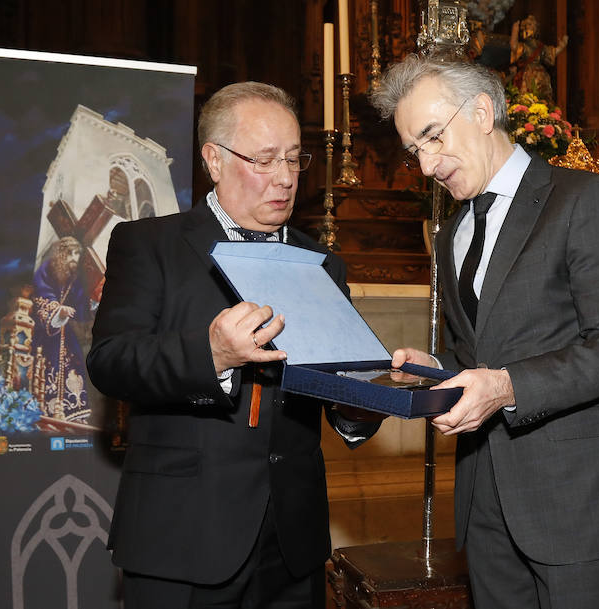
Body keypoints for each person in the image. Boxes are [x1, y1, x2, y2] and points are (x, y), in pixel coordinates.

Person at [370, 55, 599, 609]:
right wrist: (440, 372)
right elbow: (480, 352)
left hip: (576, 502)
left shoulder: (584, 199)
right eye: (415, 151)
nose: (427, 166)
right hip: (484, 505)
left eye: (432, 137)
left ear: (481, 111)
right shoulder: (452, 232)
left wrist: (505, 387)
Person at [87, 81, 381, 609]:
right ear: (214, 160)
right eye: (264, 160)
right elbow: (111, 362)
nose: (286, 178)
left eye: (294, 159)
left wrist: (363, 399)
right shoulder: (149, 244)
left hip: (293, 544)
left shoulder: (325, 265)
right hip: (182, 538)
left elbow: (332, 394)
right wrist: (213, 355)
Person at [32, 235, 93, 424]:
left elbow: (81, 305)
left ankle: (74, 415)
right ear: (61, 254)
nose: (75, 258)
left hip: (67, 337)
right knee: (46, 369)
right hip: (47, 335)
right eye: (71, 253)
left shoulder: (74, 278)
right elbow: (41, 295)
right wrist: (58, 310)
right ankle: (47, 411)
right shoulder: (46, 270)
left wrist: (94, 302)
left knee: (73, 370)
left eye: (77, 254)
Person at [508, 14, 568, 102]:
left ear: (535, 28)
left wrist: (561, 47)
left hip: (540, 77)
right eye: (525, 25)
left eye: (529, 25)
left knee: (542, 98)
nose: (527, 27)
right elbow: (514, 47)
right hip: (526, 76)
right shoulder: (523, 46)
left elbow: (550, 53)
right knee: (526, 99)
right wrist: (514, 32)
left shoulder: (540, 46)